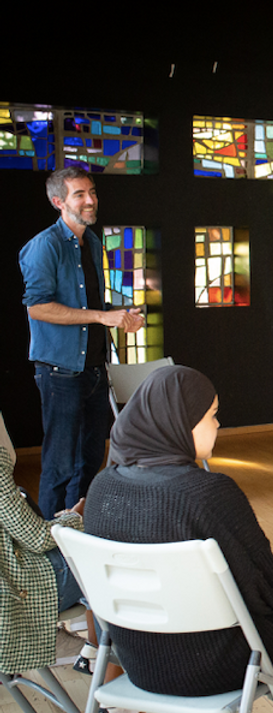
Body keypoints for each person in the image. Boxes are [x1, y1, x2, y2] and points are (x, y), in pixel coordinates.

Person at [83, 366, 273, 713]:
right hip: (208, 666)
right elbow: (269, 592)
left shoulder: (102, 489)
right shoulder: (206, 493)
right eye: (212, 415)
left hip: (141, 661)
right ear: (179, 421)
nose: (218, 425)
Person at [19, 167, 144, 519]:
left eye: (92, 192)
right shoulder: (44, 246)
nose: (90, 200)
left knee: (89, 462)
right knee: (59, 465)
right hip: (60, 371)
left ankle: (77, 535)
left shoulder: (91, 242)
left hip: (92, 369)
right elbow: (39, 307)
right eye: (79, 194)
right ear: (59, 202)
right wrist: (103, 317)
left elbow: (87, 307)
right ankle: (48, 545)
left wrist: (119, 316)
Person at [0, 412, 89, 678]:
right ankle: (102, 657)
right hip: (17, 594)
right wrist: (76, 517)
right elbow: (37, 538)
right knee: (104, 550)